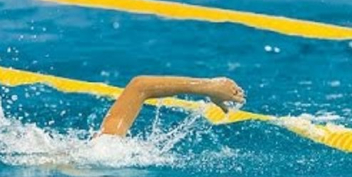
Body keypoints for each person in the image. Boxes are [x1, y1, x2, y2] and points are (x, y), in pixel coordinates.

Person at [99, 76, 245, 136]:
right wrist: (209, 87)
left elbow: (139, 87)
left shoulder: (101, 152)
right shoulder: (101, 152)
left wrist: (209, 87)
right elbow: (139, 87)